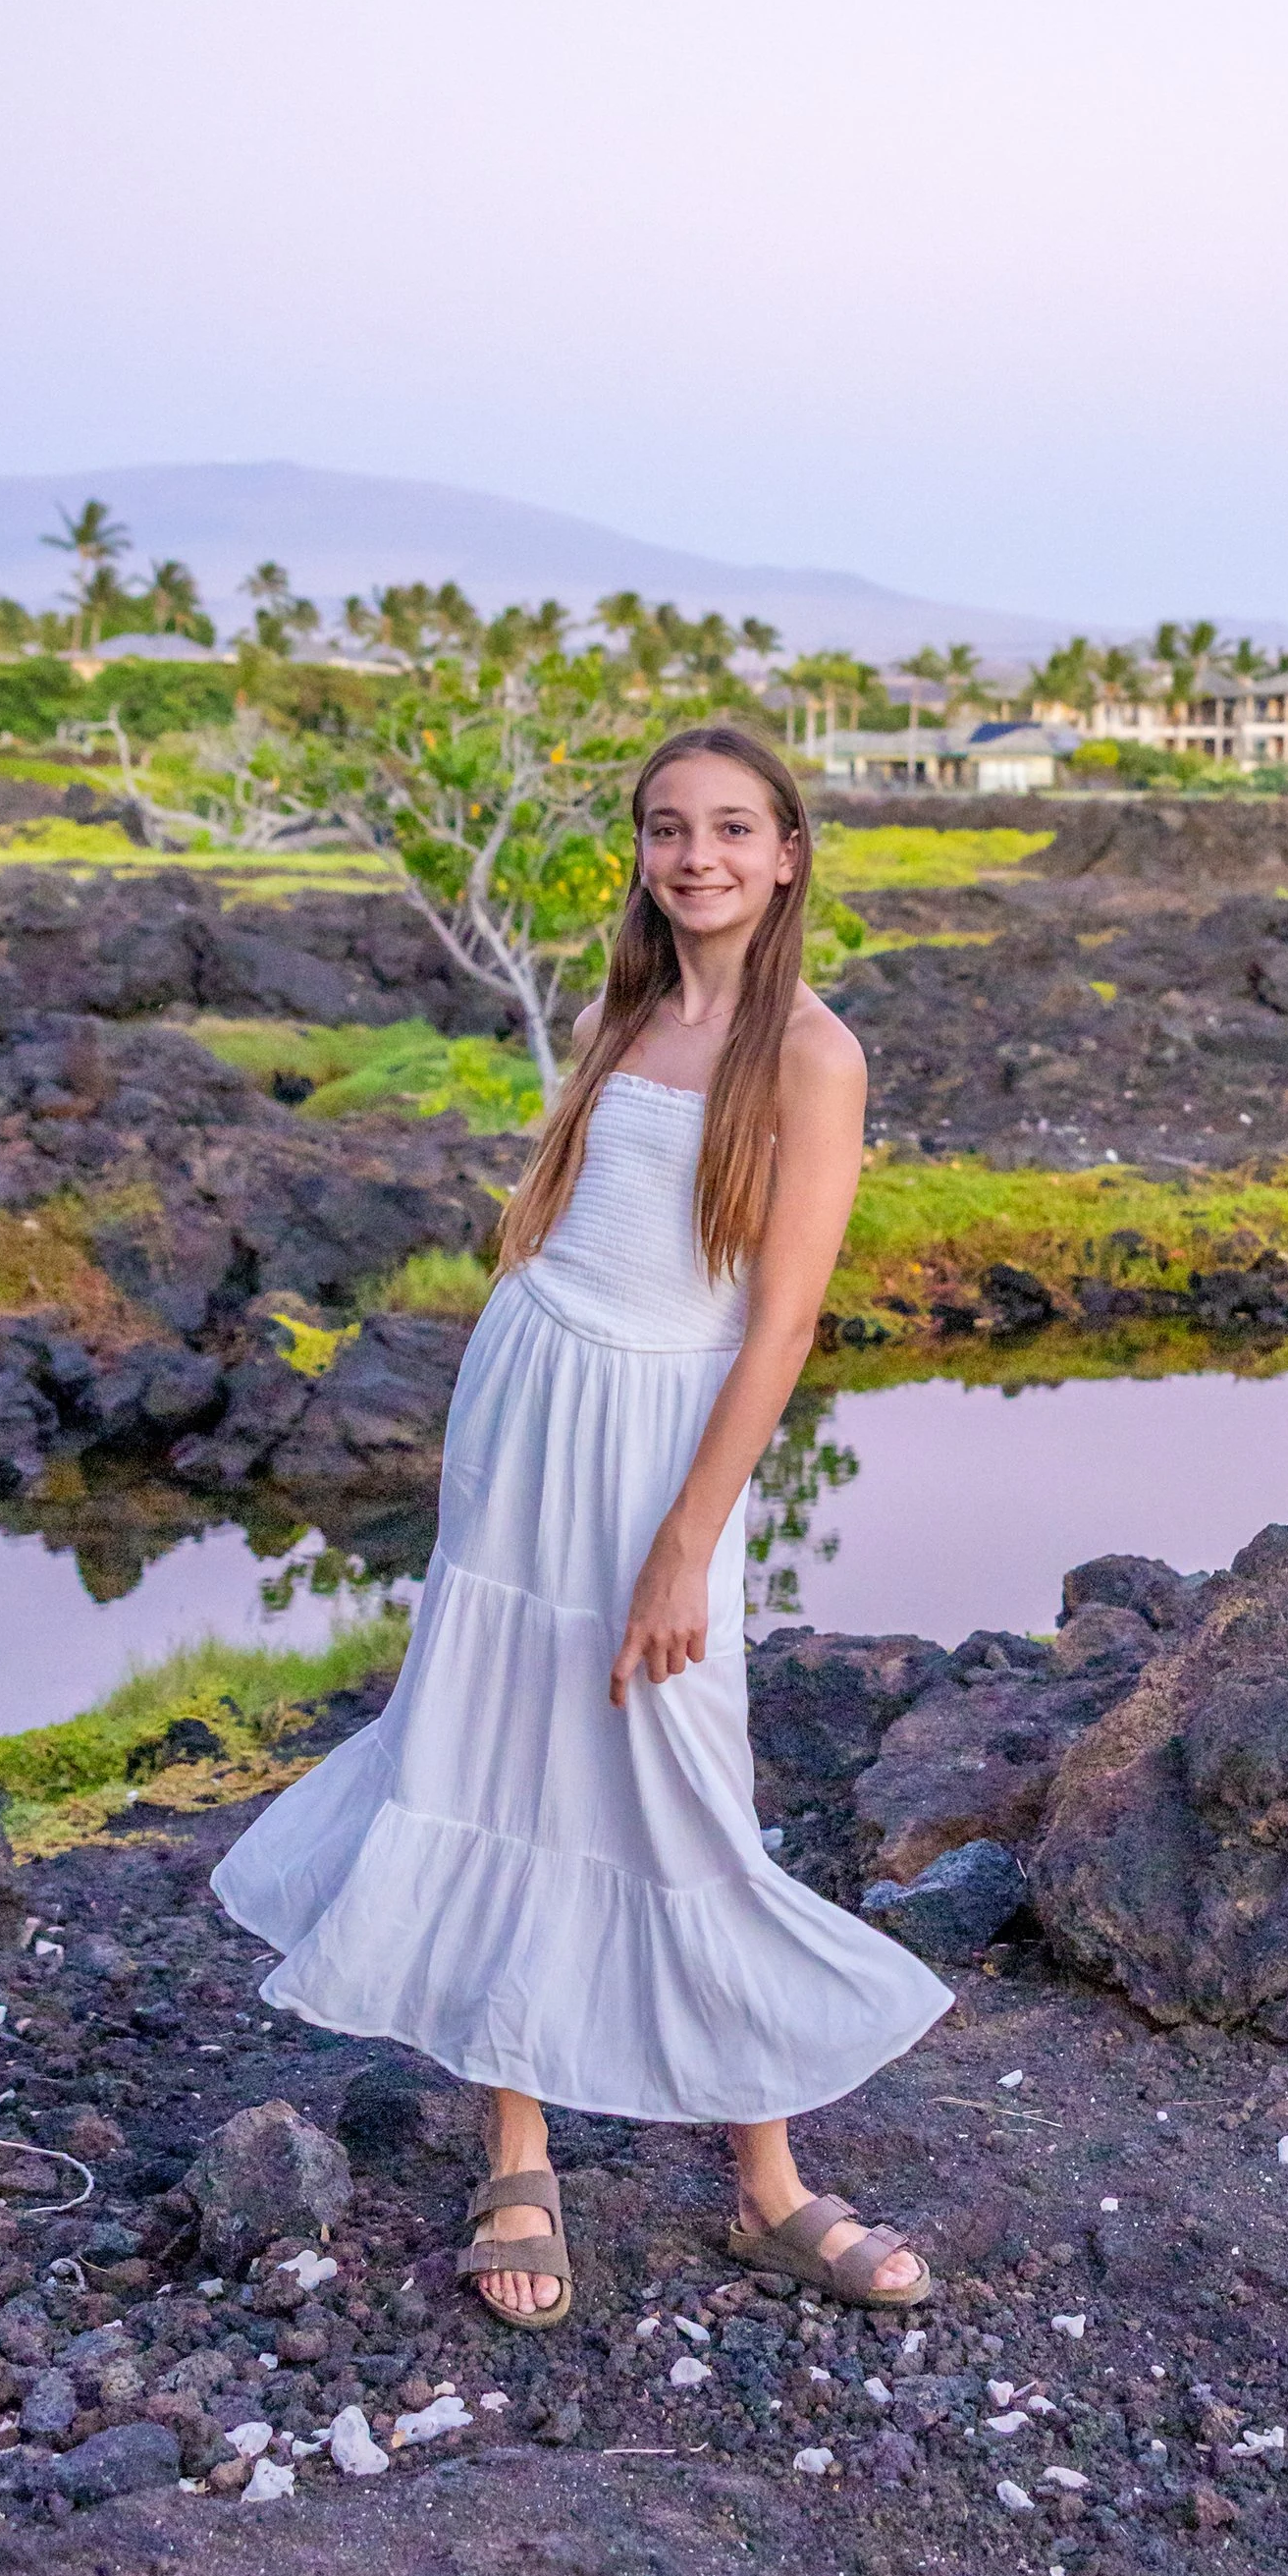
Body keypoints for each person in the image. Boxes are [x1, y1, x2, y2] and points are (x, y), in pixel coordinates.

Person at [211, 723, 948, 2328]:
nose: (698, 856)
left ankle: (769, 2184)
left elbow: (785, 1324)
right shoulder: (625, 1011)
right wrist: (499, 1394)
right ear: (644, 852)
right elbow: (559, 1231)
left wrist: (689, 1536)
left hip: (658, 1437)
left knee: (680, 1786)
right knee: (503, 1750)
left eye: (733, 829)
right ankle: (518, 2147)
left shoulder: (813, 1053)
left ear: (788, 854)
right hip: (533, 1402)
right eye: (670, 829)